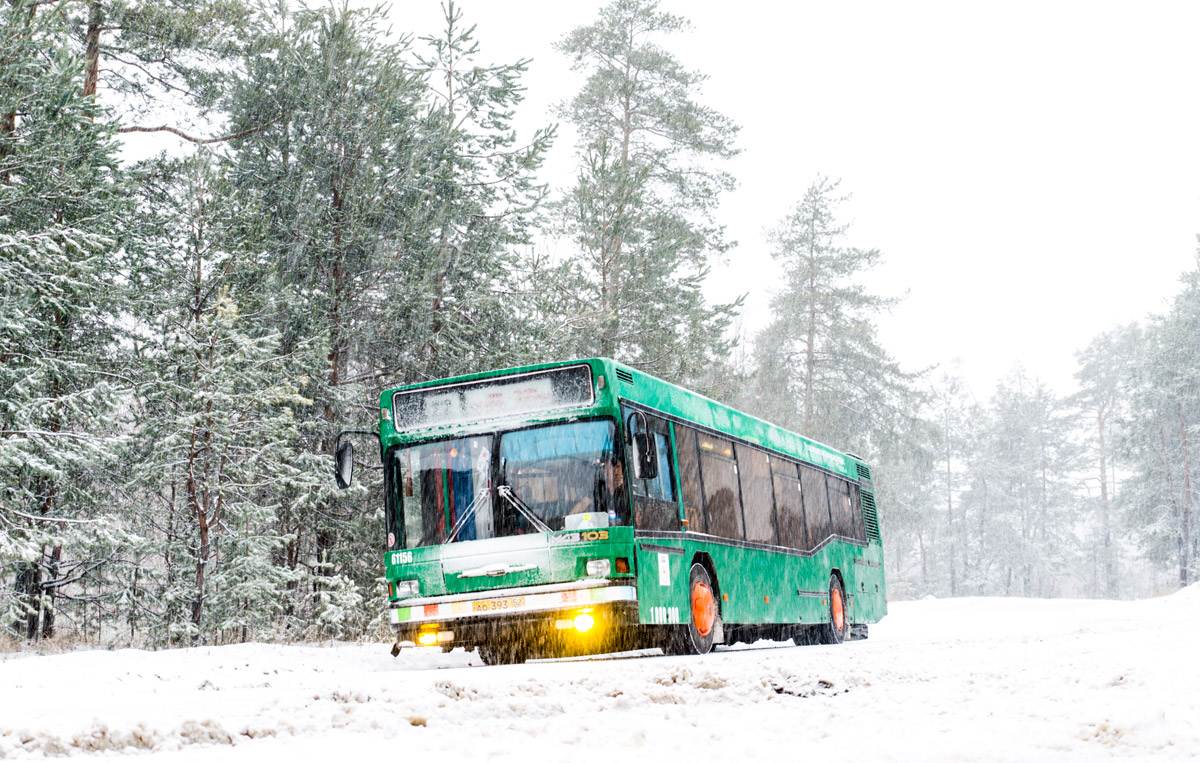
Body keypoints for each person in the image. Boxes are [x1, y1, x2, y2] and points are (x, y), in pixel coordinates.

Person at [571, 454, 627, 522]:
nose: (616, 471)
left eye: (618, 467)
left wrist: (623, 484)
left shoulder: (626, 489)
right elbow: (584, 502)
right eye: (612, 467)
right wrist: (569, 518)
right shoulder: (599, 488)